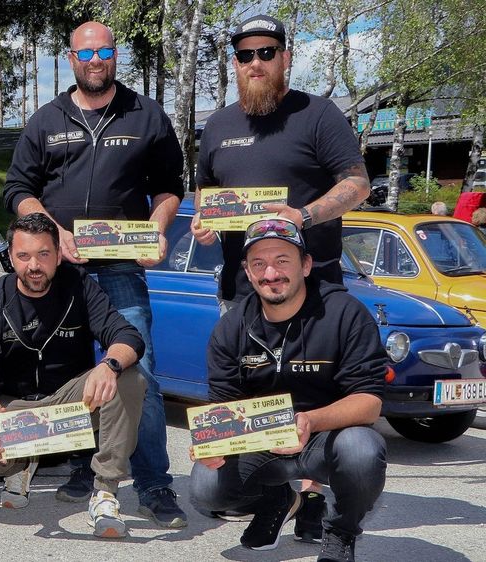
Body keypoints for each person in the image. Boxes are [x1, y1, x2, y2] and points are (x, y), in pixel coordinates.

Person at [190, 14, 373, 534]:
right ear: (235, 64)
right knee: (255, 392)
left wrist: (305, 215)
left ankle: (316, 495)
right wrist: (205, 220)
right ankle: (279, 492)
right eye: (245, 55)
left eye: (266, 52)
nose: (256, 63)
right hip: (243, 291)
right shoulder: (220, 125)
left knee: (318, 391)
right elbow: (207, 191)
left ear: (285, 57)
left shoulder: (319, 115)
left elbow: (357, 183)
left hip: (316, 289)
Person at [1, 21, 187, 527]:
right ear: (71, 58)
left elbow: (171, 187)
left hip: (123, 268)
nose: (95, 60)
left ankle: (154, 485)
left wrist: (157, 228)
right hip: (59, 273)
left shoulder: (146, 115)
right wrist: (55, 234)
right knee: (72, 375)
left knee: (136, 372)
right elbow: (17, 188)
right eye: (86, 53)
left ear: (115, 55)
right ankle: (84, 469)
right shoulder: (46, 119)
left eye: (104, 50)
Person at [191, 219, 387, 562]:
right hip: (261, 440)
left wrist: (308, 420)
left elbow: (369, 402)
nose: (271, 273)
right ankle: (277, 500)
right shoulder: (230, 328)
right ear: (248, 273)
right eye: (258, 264)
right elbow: (223, 405)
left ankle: (340, 532)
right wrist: (211, 442)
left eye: (282, 260)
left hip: (327, 437)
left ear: (306, 265)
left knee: (363, 450)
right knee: (205, 489)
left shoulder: (345, 314)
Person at [0, 213, 147, 538]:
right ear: (10, 257)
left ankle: (104, 491)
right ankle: (21, 462)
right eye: (24, 256)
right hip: (15, 407)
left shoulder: (78, 285)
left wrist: (109, 365)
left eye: (44, 254)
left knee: (130, 378)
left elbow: (128, 336)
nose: (34, 265)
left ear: (58, 255)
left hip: (70, 403)